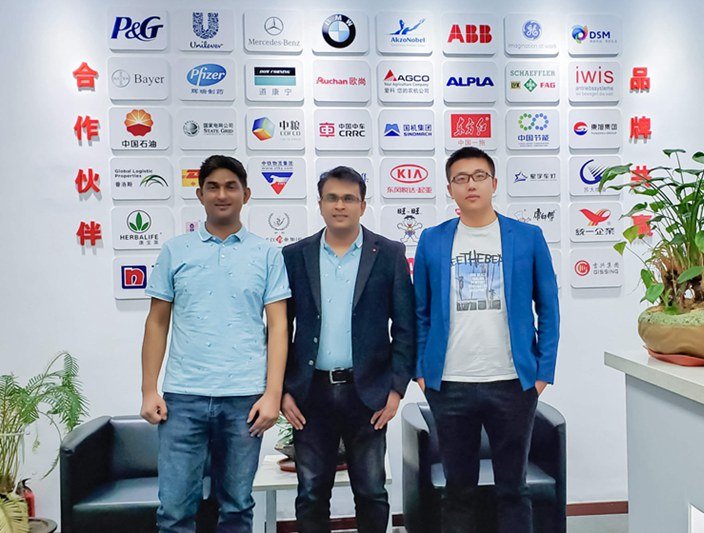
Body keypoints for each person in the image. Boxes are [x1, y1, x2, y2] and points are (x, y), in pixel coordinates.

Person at [140, 154, 291, 532]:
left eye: (230, 187)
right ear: (200, 194)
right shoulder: (175, 250)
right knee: (174, 511)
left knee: (237, 507)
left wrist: (272, 395)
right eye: (213, 187)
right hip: (182, 399)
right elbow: (157, 322)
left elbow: (278, 327)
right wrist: (148, 389)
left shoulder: (267, 253)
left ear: (246, 194)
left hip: (244, 400)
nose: (222, 195)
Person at [414, 146, 560, 533]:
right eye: (461, 178)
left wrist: (542, 372)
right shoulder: (432, 240)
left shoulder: (527, 237)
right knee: (457, 490)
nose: (471, 185)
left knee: (513, 489)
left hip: (513, 383)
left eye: (479, 176)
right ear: (450, 189)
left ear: (494, 183)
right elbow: (420, 312)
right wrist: (422, 372)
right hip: (450, 384)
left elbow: (548, 308)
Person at [280, 166, 415, 533]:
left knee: (371, 492)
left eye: (349, 198)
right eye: (332, 198)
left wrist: (396, 389)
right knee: (311, 493)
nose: (340, 205)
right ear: (320, 203)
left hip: (368, 393)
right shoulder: (295, 256)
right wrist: (283, 390)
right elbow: (279, 329)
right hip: (310, 394)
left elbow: (405, 327)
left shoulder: (388, 254)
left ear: (362, 205)